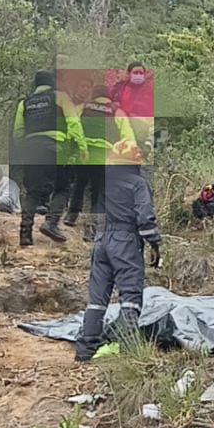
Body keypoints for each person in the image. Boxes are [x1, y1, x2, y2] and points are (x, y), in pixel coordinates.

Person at [75, 140, 161, 363]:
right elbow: (145, 218)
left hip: (102, 240)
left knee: (97, 299)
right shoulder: (138, 184)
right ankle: (130, 349)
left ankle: (86, 348)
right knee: (130, 296)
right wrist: (154, 244)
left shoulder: (104, 182)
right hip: (125, 241)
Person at [10, 70, 76, 247]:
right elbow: (74, 124)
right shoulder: (60, 97)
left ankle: (25, 234)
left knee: (32, 191)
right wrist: (77, 148)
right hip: (56, 148)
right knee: (63, 187)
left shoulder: (25, 102)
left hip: (32, 149)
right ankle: (51, 223)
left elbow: (18, 132)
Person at [65, 87, 135, 238]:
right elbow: (128, 137)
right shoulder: (117, 111)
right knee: (98, 192)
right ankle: (91, 229)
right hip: (106, 156)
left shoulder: (83, 107)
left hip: (86, 154)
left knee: (80, 182)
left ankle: (71, 215)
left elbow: (72, 127)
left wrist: (74, 147)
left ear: (94, 95)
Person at [114, 62, 155, 152]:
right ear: (129, 74)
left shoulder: (149, 91)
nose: (138, 75)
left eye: (141, 73)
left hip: (141, 130)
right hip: (121, 128)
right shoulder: (119, 88)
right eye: (135, 73)